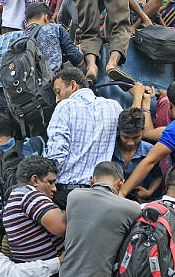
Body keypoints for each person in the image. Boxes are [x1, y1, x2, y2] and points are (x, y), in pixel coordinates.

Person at [45, 67, 122, 209]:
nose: (57, 99)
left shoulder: (65, 106)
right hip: (101, 194)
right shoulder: (114, 107)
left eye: (58, 92)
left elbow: (56, 155)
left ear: (73, 85)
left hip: (68, 194)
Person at [3, 155, 66, 277]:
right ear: (35, 180)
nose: (54, 188)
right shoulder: (29, 194)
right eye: (50, 182)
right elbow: (61, 227)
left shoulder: (16, 196)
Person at [114, 107, 161, 201]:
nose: (130, 143)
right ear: (119, 132)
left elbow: (158, 176)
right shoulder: (109, 149)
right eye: (126, 137)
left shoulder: (149, 150)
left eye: (136, 137)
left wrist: (150, 191)